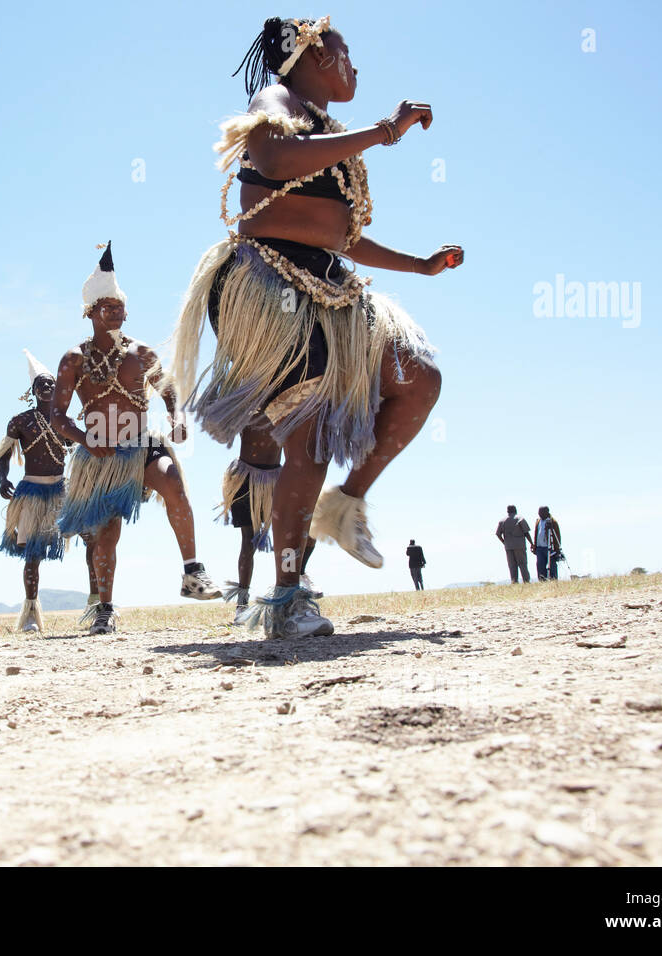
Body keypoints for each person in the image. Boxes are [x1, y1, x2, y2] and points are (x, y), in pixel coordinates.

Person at [171, 16, 459, 638]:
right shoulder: (276, 101)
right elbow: (270, 154)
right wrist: (383, 132)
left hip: (327, 281)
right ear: (305, 55)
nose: (354, 64)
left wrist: (419, 266)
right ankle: (287, 596)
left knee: (419, 378)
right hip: (268, 283)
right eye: (342, 52)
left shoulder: (329, 132)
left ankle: (345, 504)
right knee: (308, 434)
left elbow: (343, 235)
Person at [53, 243, 222, 636]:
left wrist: (176, 415)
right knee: (106, 532)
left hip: (142, 442)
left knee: (173, 484)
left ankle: (192, 572)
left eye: (119, 306)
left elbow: (168, 390)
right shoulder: (73, 359)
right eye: (106, 306)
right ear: (90, 312)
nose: (115, 311)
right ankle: (105, 609)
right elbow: (56, 416)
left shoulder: (142, 353)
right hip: (100, 455)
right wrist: (84, 438)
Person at [0, 350, 78, 633]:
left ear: (57, 388)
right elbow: (3, 454)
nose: (46, 387)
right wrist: (3, 479)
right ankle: (30, 612)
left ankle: (98, 603)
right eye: (40, 384)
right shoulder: (20, 421)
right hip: (31, 489)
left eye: (50, 384)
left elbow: (78, 452)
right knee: (32, 554)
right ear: (33, 390)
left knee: (90, 534)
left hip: (61, 490)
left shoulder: (65, 422)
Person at [218, 421, 322, 626]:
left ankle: (299, 574)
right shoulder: (247, 409)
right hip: (246, 478)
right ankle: (241, 605)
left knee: (306, 531)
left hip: (278, 477)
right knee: (249, 541)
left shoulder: (282, 406)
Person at [495, 505, 532, 583]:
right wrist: (532, 543)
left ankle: (514, 581)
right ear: (515, 510)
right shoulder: (520, 518)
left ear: (507, 511)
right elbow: (526, 532)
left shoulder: (502, 521)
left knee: (512, 565)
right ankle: (526, 581)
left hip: (508, 546)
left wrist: (504, 542)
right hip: (519, 545)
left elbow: (498, 534)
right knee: (522, 564)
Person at [533, 506, 562, 581]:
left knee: (552, 565)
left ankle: (553, 580)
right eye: (539, 512)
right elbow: (536, 534)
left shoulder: (552, 522)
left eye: (541, 512)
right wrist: (534, 546)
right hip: (539, 548)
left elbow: (557, 536)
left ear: (547, 512)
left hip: (549, 547)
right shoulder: (538, 521)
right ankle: (542, 581)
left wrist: (557, 548)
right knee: (540, 565)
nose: (539, 514)